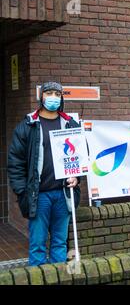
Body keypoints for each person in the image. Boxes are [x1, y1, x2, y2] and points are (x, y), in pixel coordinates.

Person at [8, 81, 81, 266]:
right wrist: (23, 192)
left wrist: (77, 177)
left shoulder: (69, 124)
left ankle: (58, 277)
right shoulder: (28, 125)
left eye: (57, 94)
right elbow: (15, 162)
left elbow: (79, 157)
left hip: (63, 195)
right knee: (37, 245)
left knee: (59, 243)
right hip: (38, 196)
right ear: (41, 96)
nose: (53, 98)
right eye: (49, 93)